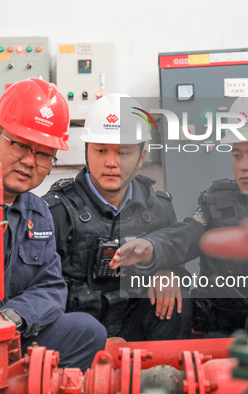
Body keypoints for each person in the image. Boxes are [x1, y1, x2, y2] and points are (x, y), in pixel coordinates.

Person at [110, 88, 248, 337]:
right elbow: (187, 234)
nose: (243, 166)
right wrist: (151, 247)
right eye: (236, 155)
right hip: (222, 333)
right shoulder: (218, 201)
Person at [42, 93, 192, 342]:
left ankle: (164, 374)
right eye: (101, 150)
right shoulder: (55, 211)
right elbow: (41, 288)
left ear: (141, 157)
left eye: (123, 152)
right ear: (87, 151)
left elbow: (176, 256)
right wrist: (98, 339)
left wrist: (168, 270)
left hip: (136, 329)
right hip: (79, 336)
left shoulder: (159, 207)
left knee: (179, 299)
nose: (111, 162)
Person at [0, 78, 106, 370]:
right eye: (20, 145)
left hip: (12, 334)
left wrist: (13, 318)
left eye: (43, 154)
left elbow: (51, 287)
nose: (30, 162)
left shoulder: (38, 212)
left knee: (86, 330)